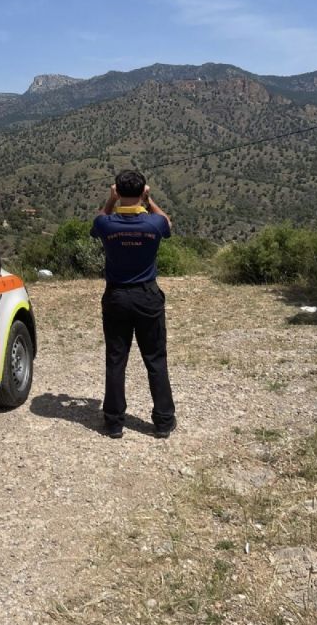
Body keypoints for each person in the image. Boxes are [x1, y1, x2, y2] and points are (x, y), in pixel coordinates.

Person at [90, 169, 176, 439]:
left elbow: (97, 222)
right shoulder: (154, 224)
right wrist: (149, 200)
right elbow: (167, 222)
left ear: (117, 191)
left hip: (116, 296)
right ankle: (163, 421)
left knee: (116, 359)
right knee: (155, 359)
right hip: (147, 295)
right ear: (142, 191)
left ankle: (114, 422)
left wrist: (110, 199)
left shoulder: (107, 224)